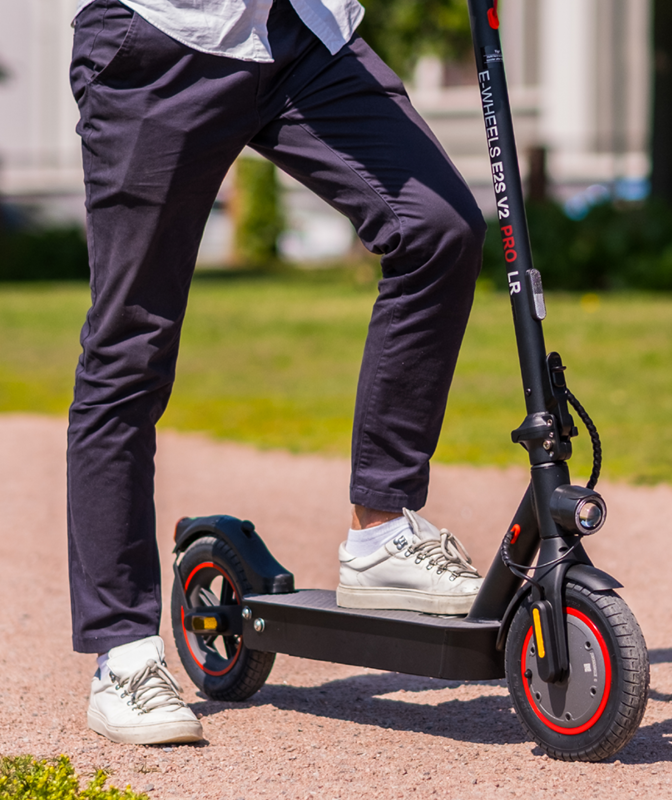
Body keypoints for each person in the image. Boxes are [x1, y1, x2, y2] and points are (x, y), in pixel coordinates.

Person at [67, 0, 487, 746]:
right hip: (163, 43)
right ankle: (123, 653)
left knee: (437, 228)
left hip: (301, 33)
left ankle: (381, 532)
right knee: (131, 344)